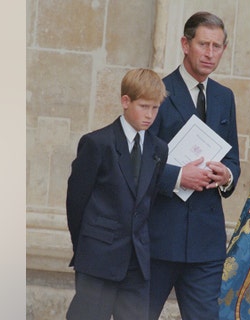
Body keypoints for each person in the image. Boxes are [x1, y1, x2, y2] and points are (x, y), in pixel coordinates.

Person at [147, 11, 241, 320]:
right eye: (204, 44)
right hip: (159, 237)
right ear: (185, 44)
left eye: (217, 46)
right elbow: (136, 162)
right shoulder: (156, 93)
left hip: (206, 242)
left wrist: (226, 175)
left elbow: (233, 160)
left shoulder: (224, 97)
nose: (210, 53)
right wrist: (177, 176)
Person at [65, 68, 169, 320]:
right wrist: (89, 247)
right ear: (125, 101)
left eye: (155, 108)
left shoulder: (158, 149)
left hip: (137, 263)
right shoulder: (97, 143)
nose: (150, 115)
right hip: (98, 259)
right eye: (144, 106)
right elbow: (76, 203)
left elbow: (147, 201)